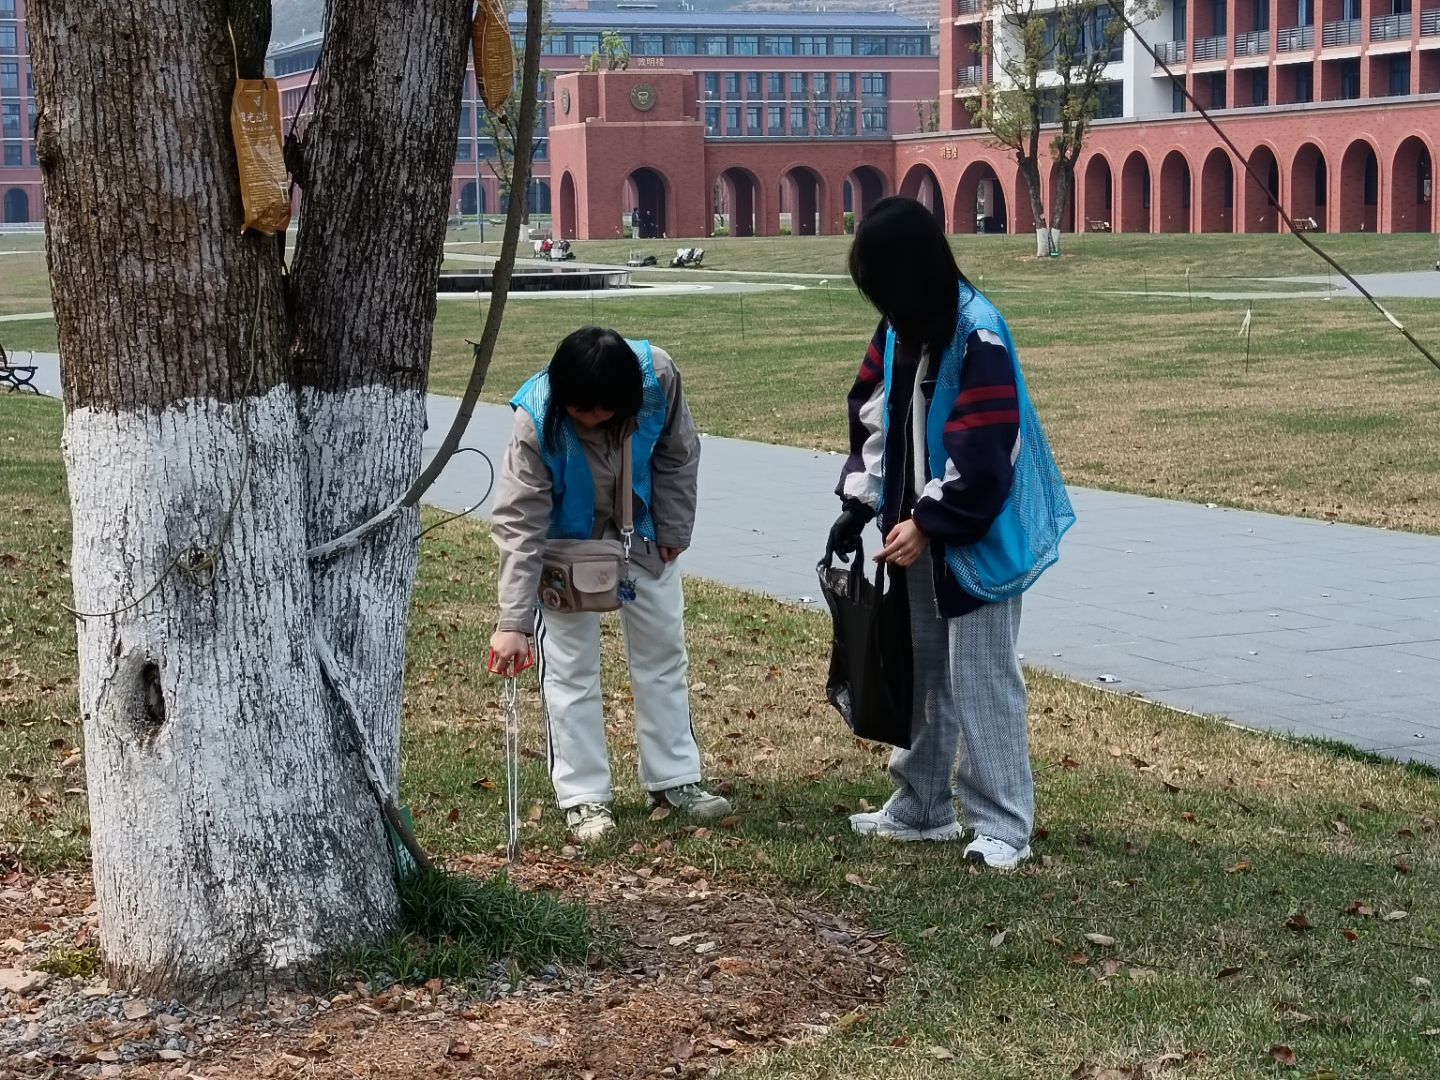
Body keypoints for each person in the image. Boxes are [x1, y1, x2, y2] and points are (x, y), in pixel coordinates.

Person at [828, 196, 1069, 871]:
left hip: (976, 536)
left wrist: (931, 521)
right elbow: (875, 414)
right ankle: (922, 806)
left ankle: (1004, 826)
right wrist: (860, 503)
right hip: (913, 531)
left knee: (980, 678)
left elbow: (985, 449)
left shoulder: (978, 333)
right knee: (923, 669)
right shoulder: (900, 327)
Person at [489, 328, 731, 841]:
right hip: (565, 548)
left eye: (604, 412)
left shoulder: (658, 376)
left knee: (663, 655)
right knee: (570, 669)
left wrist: (673, 528)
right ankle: (584, 798)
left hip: (643, 536)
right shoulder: (535, 418)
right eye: (580, 411)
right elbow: (520, 520)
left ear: (627, 397)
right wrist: (513, 622)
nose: (592, 420)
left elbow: (678, 452)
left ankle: (675, 780)